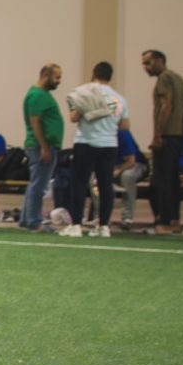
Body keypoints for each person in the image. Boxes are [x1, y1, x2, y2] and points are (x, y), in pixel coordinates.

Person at [60, 61, 127, 238]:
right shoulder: (119, 99)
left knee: (79, 184)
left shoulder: (84, 92)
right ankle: (104, 226)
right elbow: (125, 125)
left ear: (93, 73)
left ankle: (76, 225)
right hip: (109, 145)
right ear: (110, 77)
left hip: (86, 142)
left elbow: (74, 117)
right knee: (105, 186)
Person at [141, 50, 183, 234]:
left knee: (160, 183)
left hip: (167, 136)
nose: (145, 67)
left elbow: (166, 106)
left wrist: (157, 135)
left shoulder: (164, 78)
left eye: (148, 63)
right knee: (172, 181)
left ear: (160, 61)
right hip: (178, 137)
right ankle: (174, 221)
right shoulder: (179, 79)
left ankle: (163, 222)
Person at [20, 62, 66, 231]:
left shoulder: (41, 94)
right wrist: (44, 147)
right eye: (57, 77)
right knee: (39, 186)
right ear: (46, 76)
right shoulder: (38, 95)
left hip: (43, 146)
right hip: (41, 147)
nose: (59, 81)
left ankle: (26, 220)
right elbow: (35, 122)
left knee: (36, 183)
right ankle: (34, 221)